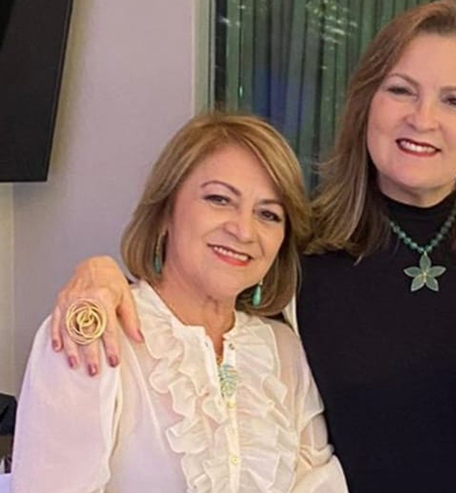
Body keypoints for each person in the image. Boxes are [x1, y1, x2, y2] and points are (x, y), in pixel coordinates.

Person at [45, 1, 456, 492]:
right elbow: (195, 304)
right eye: (401, 90)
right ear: (366, 104)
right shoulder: (298, 252)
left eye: (454, 100)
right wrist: (103, 276)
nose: (422, 118)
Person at [11, 113, 349, 492]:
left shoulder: (283, 351)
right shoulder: (94, 333)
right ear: (165, 212)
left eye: (268, 214)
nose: (243, 230)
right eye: (219, 199)